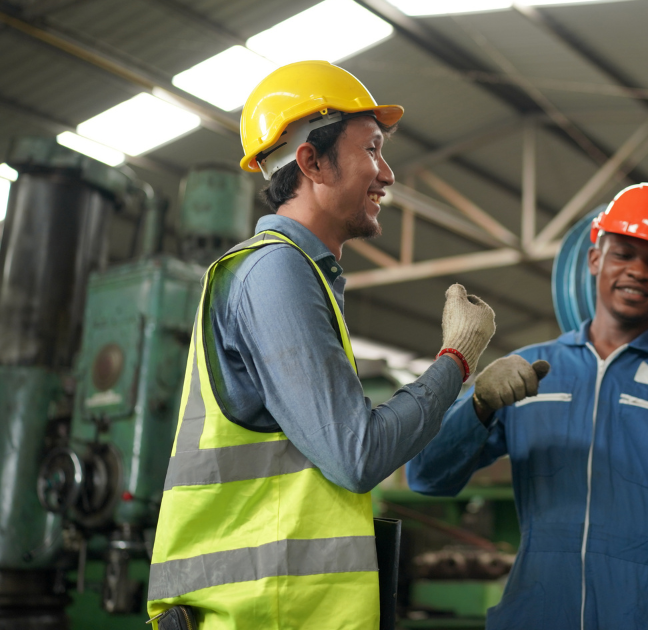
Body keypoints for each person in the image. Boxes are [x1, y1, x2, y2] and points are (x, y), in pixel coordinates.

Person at [146, 61, 522, 629]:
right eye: (372, 148)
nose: (387, 173)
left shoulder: (303, 277)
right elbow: (358, 454)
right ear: (311, 162)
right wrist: (457, 358)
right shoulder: (275, 273)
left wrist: (472, 402)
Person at [407, 182, 648, 629]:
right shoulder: (534, 372)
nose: (638, 272)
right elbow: (425, 476)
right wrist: (476, 406)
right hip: (538, 612)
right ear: (595, 259)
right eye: (623, 255)